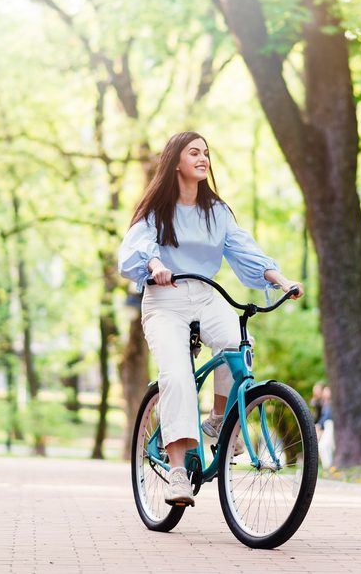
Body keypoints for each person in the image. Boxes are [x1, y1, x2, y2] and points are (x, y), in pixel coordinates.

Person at [118, 131, 303, 507]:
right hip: (165, 299)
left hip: (206, 294)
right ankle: (177, 473)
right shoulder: (157, 211)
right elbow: (138, 247)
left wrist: (282, 280)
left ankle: (219, 420)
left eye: (206, 153)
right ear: (176, 161)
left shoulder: (216, 211)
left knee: (238, 347)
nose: (203, 158)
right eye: (194, 152)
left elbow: (244, 250)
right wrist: (155, 266)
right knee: (177, 376)